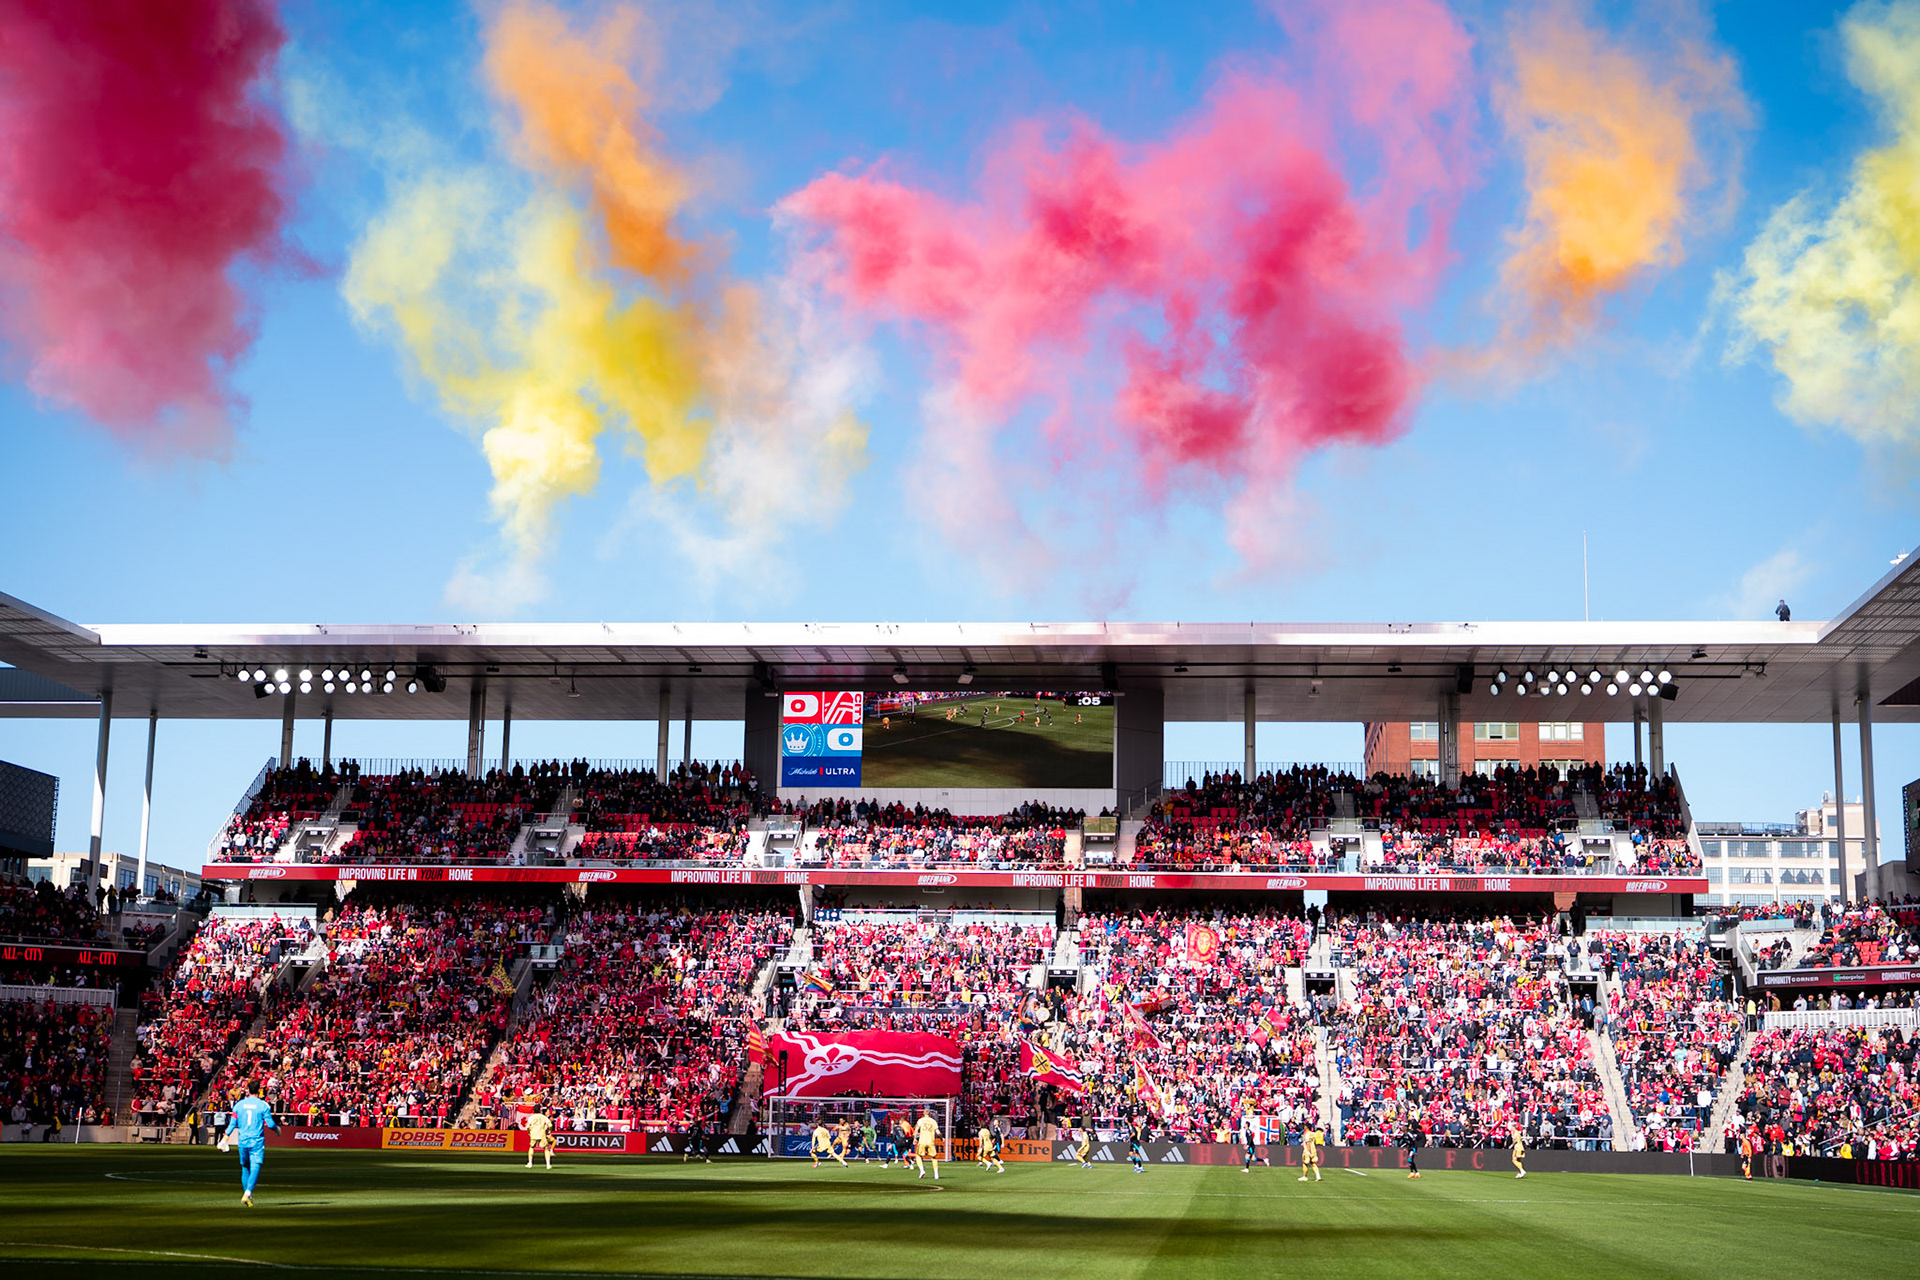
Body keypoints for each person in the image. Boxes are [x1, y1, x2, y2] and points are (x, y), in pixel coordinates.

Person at [216, 1081, 279, 1207]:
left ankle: (247, 1195)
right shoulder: (263, 1105)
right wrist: (277, 1130)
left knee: (245, 1168)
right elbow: (270, 1124)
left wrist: (225, 1138)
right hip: (256, 1141)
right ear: (259, 1090)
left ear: (248, 1090)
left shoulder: (239, 1105)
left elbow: (232, 1124)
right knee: (256, 1166)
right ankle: (248, 1193)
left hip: (243, 1141)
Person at [913, 1108, 942, 1180]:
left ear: (923, 1113)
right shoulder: (933, 1121)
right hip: (931, 1142)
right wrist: (941, 1138)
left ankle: (922, 1170)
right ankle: (936, 1174)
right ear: (930, 1114)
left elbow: (916, 1130)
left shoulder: (920, 1120)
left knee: (918, 1155)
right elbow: (938, 1132)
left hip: (922, 1141)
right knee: (933, 1157)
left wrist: (914, 1139)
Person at [526, 1103, 556, 1170]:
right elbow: (550, 1125)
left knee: (531, 1147)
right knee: (546, 1149)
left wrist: (529, 1132)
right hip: (542, 1134)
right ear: (540, 1110)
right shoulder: (543, 1117)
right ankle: (548, 1164)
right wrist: (549, 1131)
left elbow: (527, 1127)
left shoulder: (531, 1117)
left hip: (534, 1134)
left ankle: (530, 1163)